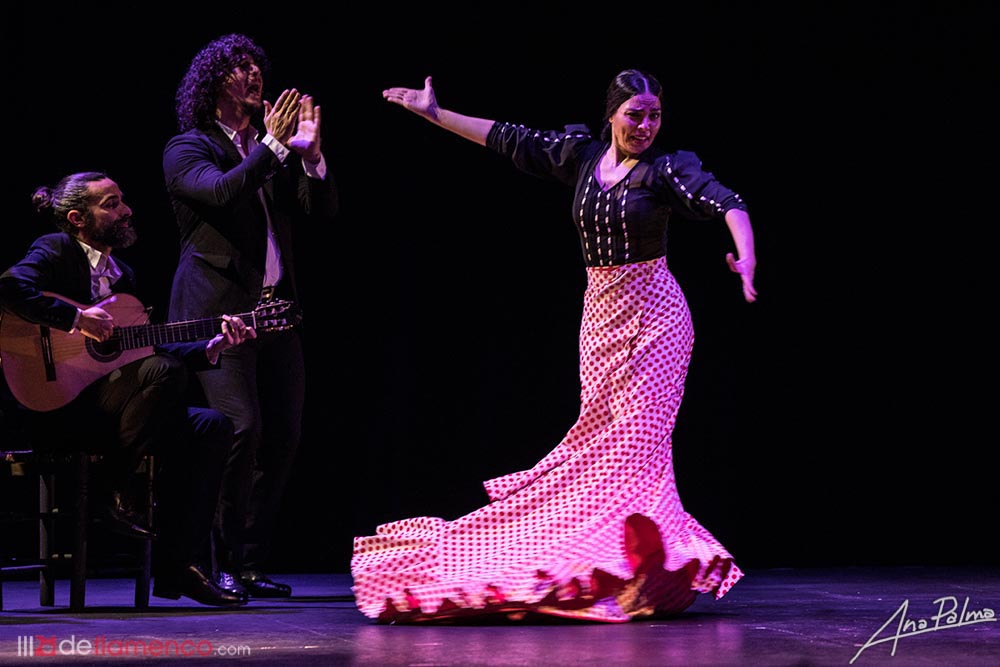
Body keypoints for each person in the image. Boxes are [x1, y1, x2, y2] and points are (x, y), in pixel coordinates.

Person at [351, 69, 757, 623]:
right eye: (635, 114)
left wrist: (745, 255)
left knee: (638, 448)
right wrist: (436, 114)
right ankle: (599, 564)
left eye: (654, 115)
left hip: (658, 319)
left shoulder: (665, 169)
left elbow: (727, 202)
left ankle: (637, 574)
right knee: (596, 450)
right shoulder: (582, 157)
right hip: (602, 319)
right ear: (612, 114)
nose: (645, 126)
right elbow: (507, 138)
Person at [0, 171, 256, 607]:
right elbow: (9, 288)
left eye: (123, 200)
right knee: (164, 372)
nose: (127, 210)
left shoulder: (123, 277)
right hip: (59, 409)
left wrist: (210, 347)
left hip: (116, 415)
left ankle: (178, 567)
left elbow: (139, 348)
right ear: (78, 218)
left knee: (211, 426)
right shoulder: (55, 249)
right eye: (112, 204)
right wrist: (76, 319)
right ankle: (108, 491)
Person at [163, 33, 339, 599]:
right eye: (240, 66)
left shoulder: (274, 150)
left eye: (257, 64)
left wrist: (309, 157)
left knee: (284, 436)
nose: (254, 72)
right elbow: (221, 193)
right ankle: (210, 562)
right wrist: (273, 146)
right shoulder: (187, 148)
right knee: (241, 429)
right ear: (214, 82)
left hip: (275, 314)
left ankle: (248, 562)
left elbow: (320, 211)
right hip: (215, 317)